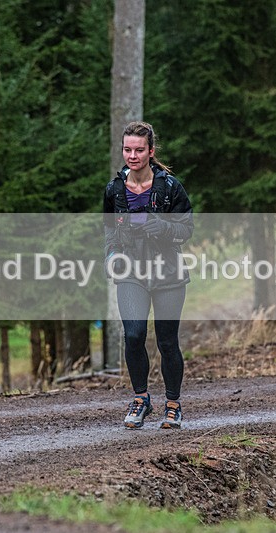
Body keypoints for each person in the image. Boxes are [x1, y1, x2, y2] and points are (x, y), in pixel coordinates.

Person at [103, 121, 193, 429]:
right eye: (127, 149)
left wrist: (166, 228)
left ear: (150, 151)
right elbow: (108, 231)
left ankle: (173, 405)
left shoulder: (170, 187)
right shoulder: (114, 190)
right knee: (135, 335)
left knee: (167, 342)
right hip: (131, 273)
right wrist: (111, 255)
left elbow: (187, 228)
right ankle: (141, 399)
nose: (132, 155)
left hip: (168, 272)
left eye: (139, 150)